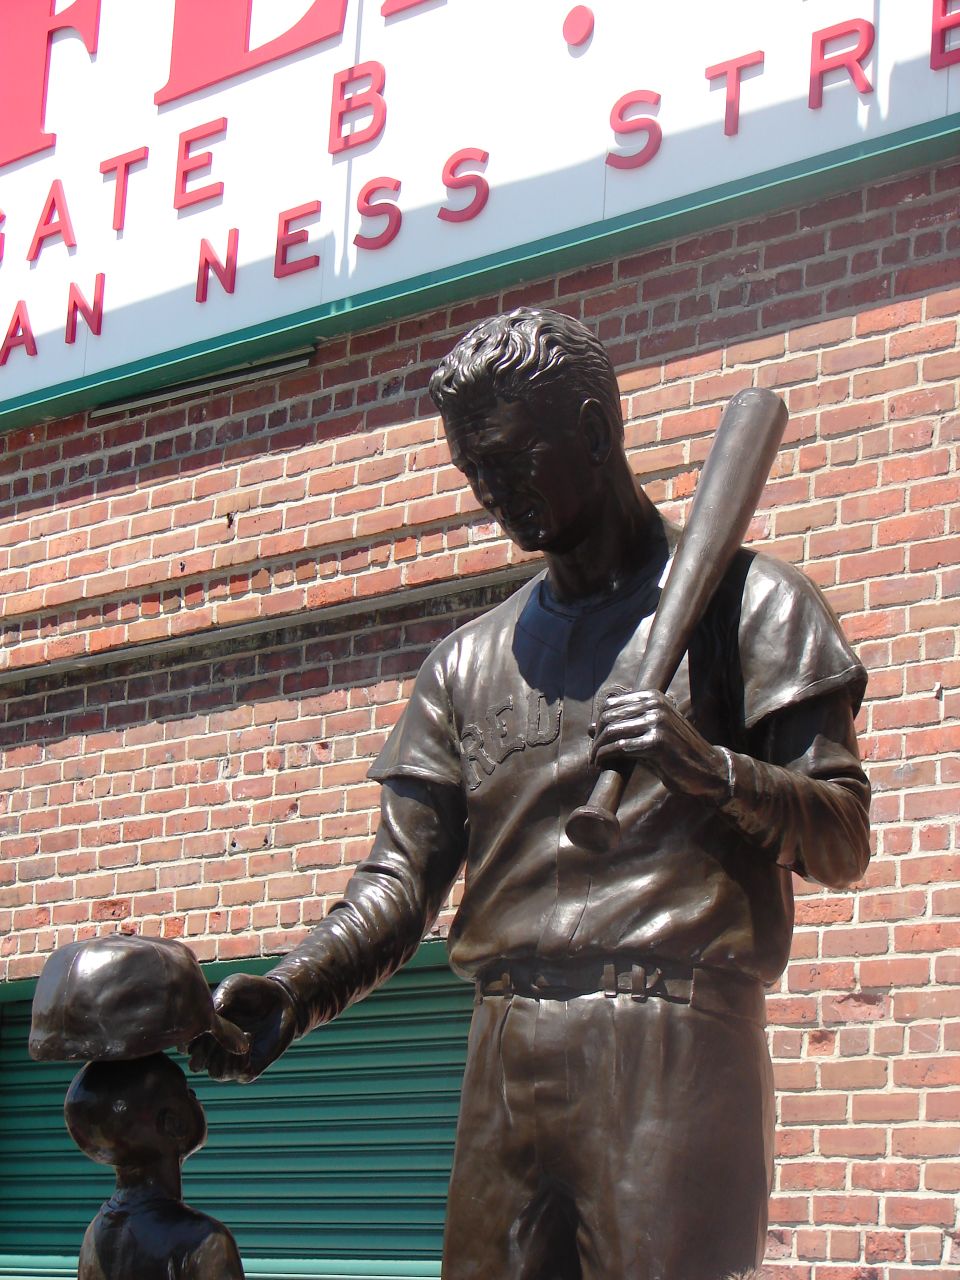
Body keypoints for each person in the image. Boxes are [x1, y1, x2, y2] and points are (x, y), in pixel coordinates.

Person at [191, 308, 871, 1280]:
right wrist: (298, 988)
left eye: (512, 458)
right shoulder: (466, 664)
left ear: (596, 432)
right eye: (473, 472)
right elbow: (399, 879)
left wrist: (707, 766)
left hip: (668, 1035)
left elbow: (843, 834)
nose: (490, 494)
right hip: (506, 1046)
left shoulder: (753, 609)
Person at [65, 1052, 245, 1280]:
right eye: (188, 1093)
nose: (197, 1099)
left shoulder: (95, 1234)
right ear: (173, 1123)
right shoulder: (204, 1241)